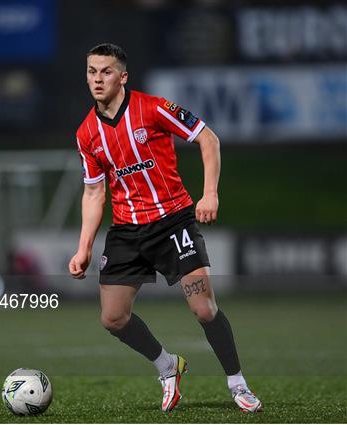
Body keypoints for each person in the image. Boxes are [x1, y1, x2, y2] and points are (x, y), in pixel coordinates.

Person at [68, 43, 262, 413]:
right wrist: (83, 247)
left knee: (204, 310)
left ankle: (237, 383)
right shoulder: (86, 133)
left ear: (123, 76)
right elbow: (94, 192)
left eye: (106, 71)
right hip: (127, 231)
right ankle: (167, 366)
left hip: (173, 222)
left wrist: (209, 194)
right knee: (112, 318)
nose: (97, 78)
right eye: (92, 71)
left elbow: (209, 138)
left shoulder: (153, 108)